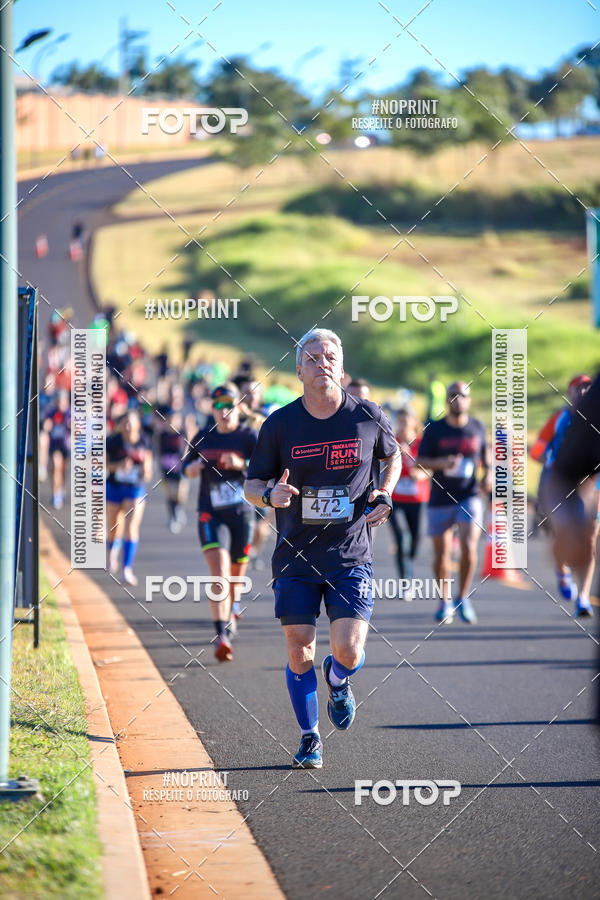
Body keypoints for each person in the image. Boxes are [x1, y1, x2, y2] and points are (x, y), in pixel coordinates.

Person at [244, 328, 401, 769]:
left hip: (350, 553)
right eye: (311, 358)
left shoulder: (366, 415)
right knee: (299, 650)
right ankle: (310, 736)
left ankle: (339, 678)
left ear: (342, 366)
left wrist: (385, 492)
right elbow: (251, 485)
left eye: (329, 356)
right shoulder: (279, 424)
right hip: (295, 554)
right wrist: (268, 495)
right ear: (298, 371)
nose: (321, 363)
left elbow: (393, 456)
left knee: (349, 651)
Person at [182, 383, 258, 662]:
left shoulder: (249, 436)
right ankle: (221, 634)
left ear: (239, 407)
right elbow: (185, 469)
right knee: (220, 572)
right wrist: (193, 468)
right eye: (218, 406)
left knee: (236, 577)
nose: (223, 411)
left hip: (241, 514)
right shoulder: (204, 436)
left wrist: (241, 464)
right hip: (210, 512)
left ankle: (234, 606)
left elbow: (265, 471)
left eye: (229, 405)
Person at [417, 381, 491, 624]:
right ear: (447, 400)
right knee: (442, 554)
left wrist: (489, 475)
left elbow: (487, 457)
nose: (457, 399)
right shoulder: (435, 429)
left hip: (469, 496)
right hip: (440, 498)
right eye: (453, 395)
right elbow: (421, 461)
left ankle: (463, 597)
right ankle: (444, 600)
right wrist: (443, 464)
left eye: (462, 395)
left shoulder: (477, 427)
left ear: (469, 400)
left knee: (470, 547)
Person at [532, 374, 592, 607]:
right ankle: (562, 571)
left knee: (590, 537)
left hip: (590, 485)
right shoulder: (559, 418)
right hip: (559, 482)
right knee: (562, 533)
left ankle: (584, 597)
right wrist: (556, 460)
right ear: (570, 393)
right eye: (579, 388)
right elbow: (536, 450)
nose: (584, 392)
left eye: (588, 388)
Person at [106, 410, 153, 585]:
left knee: (131, 527)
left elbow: (148, 468)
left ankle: (127, 568)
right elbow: (103, 465)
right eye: (124, 423)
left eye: (130, 423)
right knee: (113, 526)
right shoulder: (112, 441)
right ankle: (112, 554)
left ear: (137, 425)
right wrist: (118, 466)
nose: (127, 427)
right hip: (114, 487)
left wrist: (145, 471)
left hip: (134, 488)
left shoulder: (144, 441)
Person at [389, 407, 430, 599]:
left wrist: (419, 473)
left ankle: (409, 561)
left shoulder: (422, 443)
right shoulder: (390, 441)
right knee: (401, 537)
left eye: (407, 421)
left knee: (416, 539)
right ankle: (406, 582)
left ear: (414, 422)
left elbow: (430, 470)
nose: (404, 425)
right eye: (401, 421)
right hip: (396, 498)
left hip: (418, 498)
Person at [157, 410, 189, 533]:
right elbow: (159, 451)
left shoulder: (182, 433)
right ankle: (172, 516)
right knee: (170, 493)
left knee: (180, 494)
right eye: (169, 420)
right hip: (167, 468)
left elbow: (186, 448)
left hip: (180, 468)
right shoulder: (162, 435)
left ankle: (179, 508)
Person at [41, 390, 71, 509]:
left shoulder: (70, 413)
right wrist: (47, 425)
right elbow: (46, 425)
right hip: (55, 445)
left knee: (63, 470)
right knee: (55, 467)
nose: (60, 404)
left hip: (65, 446)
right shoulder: (52, 412)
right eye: (58, 402)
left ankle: (61, 489)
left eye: (62, 402)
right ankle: (55, 494)